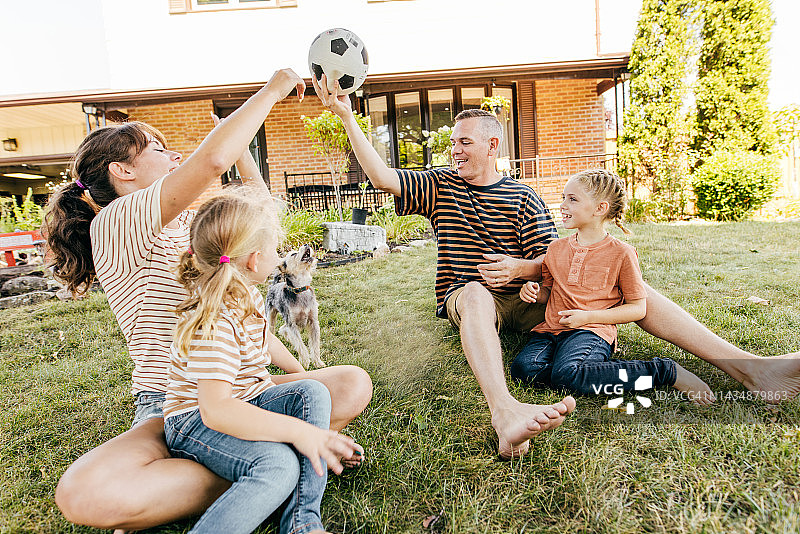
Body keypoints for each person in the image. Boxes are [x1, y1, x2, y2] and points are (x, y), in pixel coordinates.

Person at [312, 75, 800, 460]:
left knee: (627, 288)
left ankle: (750, 369)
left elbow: (557, 265)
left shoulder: (523, 197)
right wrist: (346, 116)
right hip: (473, 299)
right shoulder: (439, 185)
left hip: (528, 305)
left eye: (464, 142)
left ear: (492, 145)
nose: (455, 150)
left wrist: (521, 271)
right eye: (454, 143)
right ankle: (504, 412)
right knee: (477, 293)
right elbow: (380, 176)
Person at [44, 69, 373, 532]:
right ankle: (275, 460)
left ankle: (259, 464)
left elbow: (254, 223)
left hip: (242, 390)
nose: (175, 155)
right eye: (158, 150)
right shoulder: (116, 222)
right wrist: (275, 89)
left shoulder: (187, 228)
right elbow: (214, 158)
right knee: (85, 495)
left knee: (349, 383)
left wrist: (302, 385)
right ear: (122, 170)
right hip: (173, 404)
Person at [164, 186, 361, 534]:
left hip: (248, 396)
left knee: (311, 391)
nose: (279, 255)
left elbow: (265, 339)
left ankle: (302, 522)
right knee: (278, 466)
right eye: (274, 249)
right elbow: (217, 410)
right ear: (255, 259)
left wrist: (304, 377)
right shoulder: (216, 320)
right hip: (195, 420)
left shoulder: (247, 292)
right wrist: (302, 432)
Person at [511, 169, 714, 405]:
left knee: (569, 374)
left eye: (573, 199)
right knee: (524, 371)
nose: (563, 204)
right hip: (550, 331)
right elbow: (549, 292)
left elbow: (637, 309)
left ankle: (664, 371)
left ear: (600, 208)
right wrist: (535, 294)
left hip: (591, 331)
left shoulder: (621, 253)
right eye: (564, 197)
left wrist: (586, 318)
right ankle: (576, 372)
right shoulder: (555, 249)